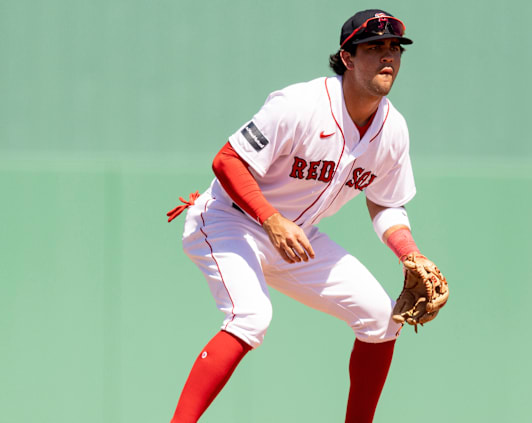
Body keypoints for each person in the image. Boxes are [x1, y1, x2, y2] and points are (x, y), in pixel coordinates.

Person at [166, 9, 438, 422]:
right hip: (229, 219)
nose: (388, 56)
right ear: (347, 58)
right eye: (374, 47)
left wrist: (409, 252)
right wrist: (271, 220)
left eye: (394, 48)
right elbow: (227, 160)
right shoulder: (300, 105)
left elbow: (385, 202)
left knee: (382, 318)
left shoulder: (392, 130)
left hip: (296, 236)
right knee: (251, 317)